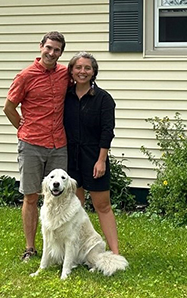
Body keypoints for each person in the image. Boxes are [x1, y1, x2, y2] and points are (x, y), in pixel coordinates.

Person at [4, 31, 68, 262]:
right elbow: (9, 108)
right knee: (31, 196)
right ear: (40, 46)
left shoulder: (64, 74)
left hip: (59, 144)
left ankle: (58, 247)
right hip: (31, 144)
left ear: (61, 52)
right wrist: (22, 129)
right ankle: (30, 248)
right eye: (48, 47)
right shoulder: (25, 76)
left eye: (57, 50)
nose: (51, 53)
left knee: (59, 196)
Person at [64, 51, 120, 255]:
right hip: (70, 158)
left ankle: (115, 253)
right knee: (75, 206)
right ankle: (73, 251)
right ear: (71, 70)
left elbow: (107, 131)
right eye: (78, 67)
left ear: (94, 72)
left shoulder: (104, 99)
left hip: (94, 157)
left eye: (87, 68)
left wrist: (101, 160)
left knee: (102, 205)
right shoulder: (65, 96)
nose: (82, 71)